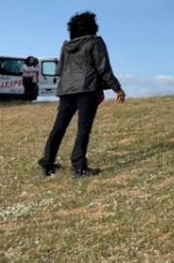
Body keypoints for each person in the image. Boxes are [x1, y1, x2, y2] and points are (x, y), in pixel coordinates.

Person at [38, 11, 126, 178]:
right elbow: (103, 68)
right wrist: (117, 88)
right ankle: (79, 166)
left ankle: (47, 162)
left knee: (59, 127)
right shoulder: (95, 42)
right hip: (86, 89)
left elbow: (59, 70)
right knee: (83, 128)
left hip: (66, 90)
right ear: (93, 26)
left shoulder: (66, 46)